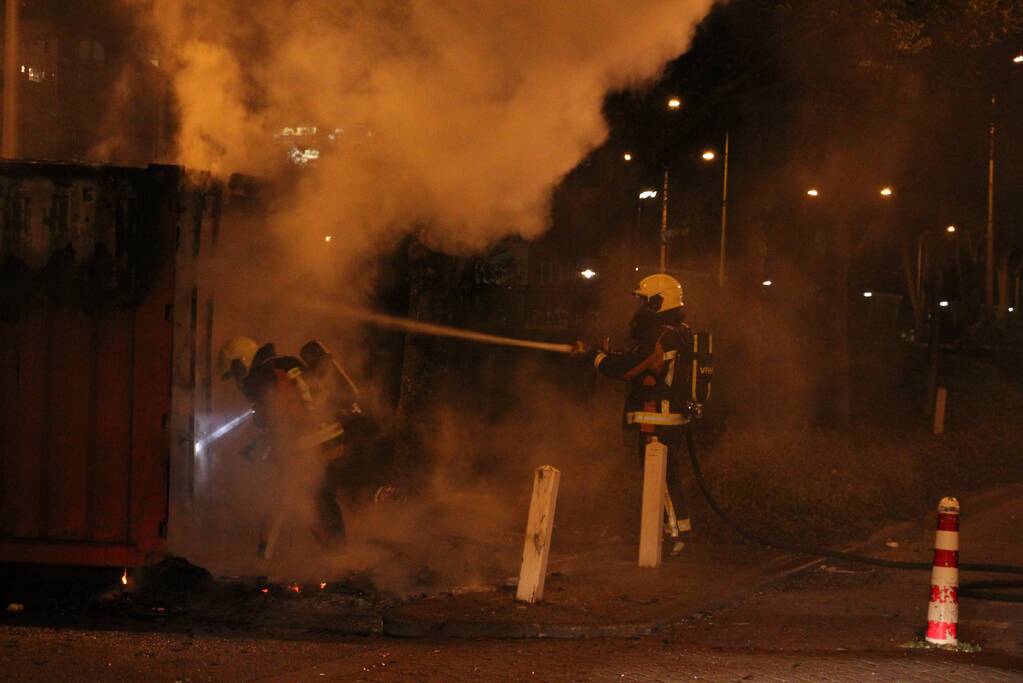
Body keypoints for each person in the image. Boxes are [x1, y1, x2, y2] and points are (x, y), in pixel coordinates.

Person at [218, 336, 376, 558]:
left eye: (236, 372)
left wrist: (270, 431)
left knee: (283, 500)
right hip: (330, 435)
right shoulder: (286, 361)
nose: (238, 382)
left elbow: (288, 410)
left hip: (311, 443)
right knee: (318, 501)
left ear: (243, 361)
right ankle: (338, 558)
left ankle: (263, 561)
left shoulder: (264, 374)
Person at [574, 274, 695, 555]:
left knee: (661, 477)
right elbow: (637, 360)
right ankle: (671, 533)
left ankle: (676, 538)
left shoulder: (661, 336)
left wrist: (593, 357)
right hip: (667, 414)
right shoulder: (676, 332)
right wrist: (602, 354)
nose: (639, 307)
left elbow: (627, 369)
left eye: (643, 301)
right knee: (666, 476)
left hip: (658, 417)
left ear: (657, 302)